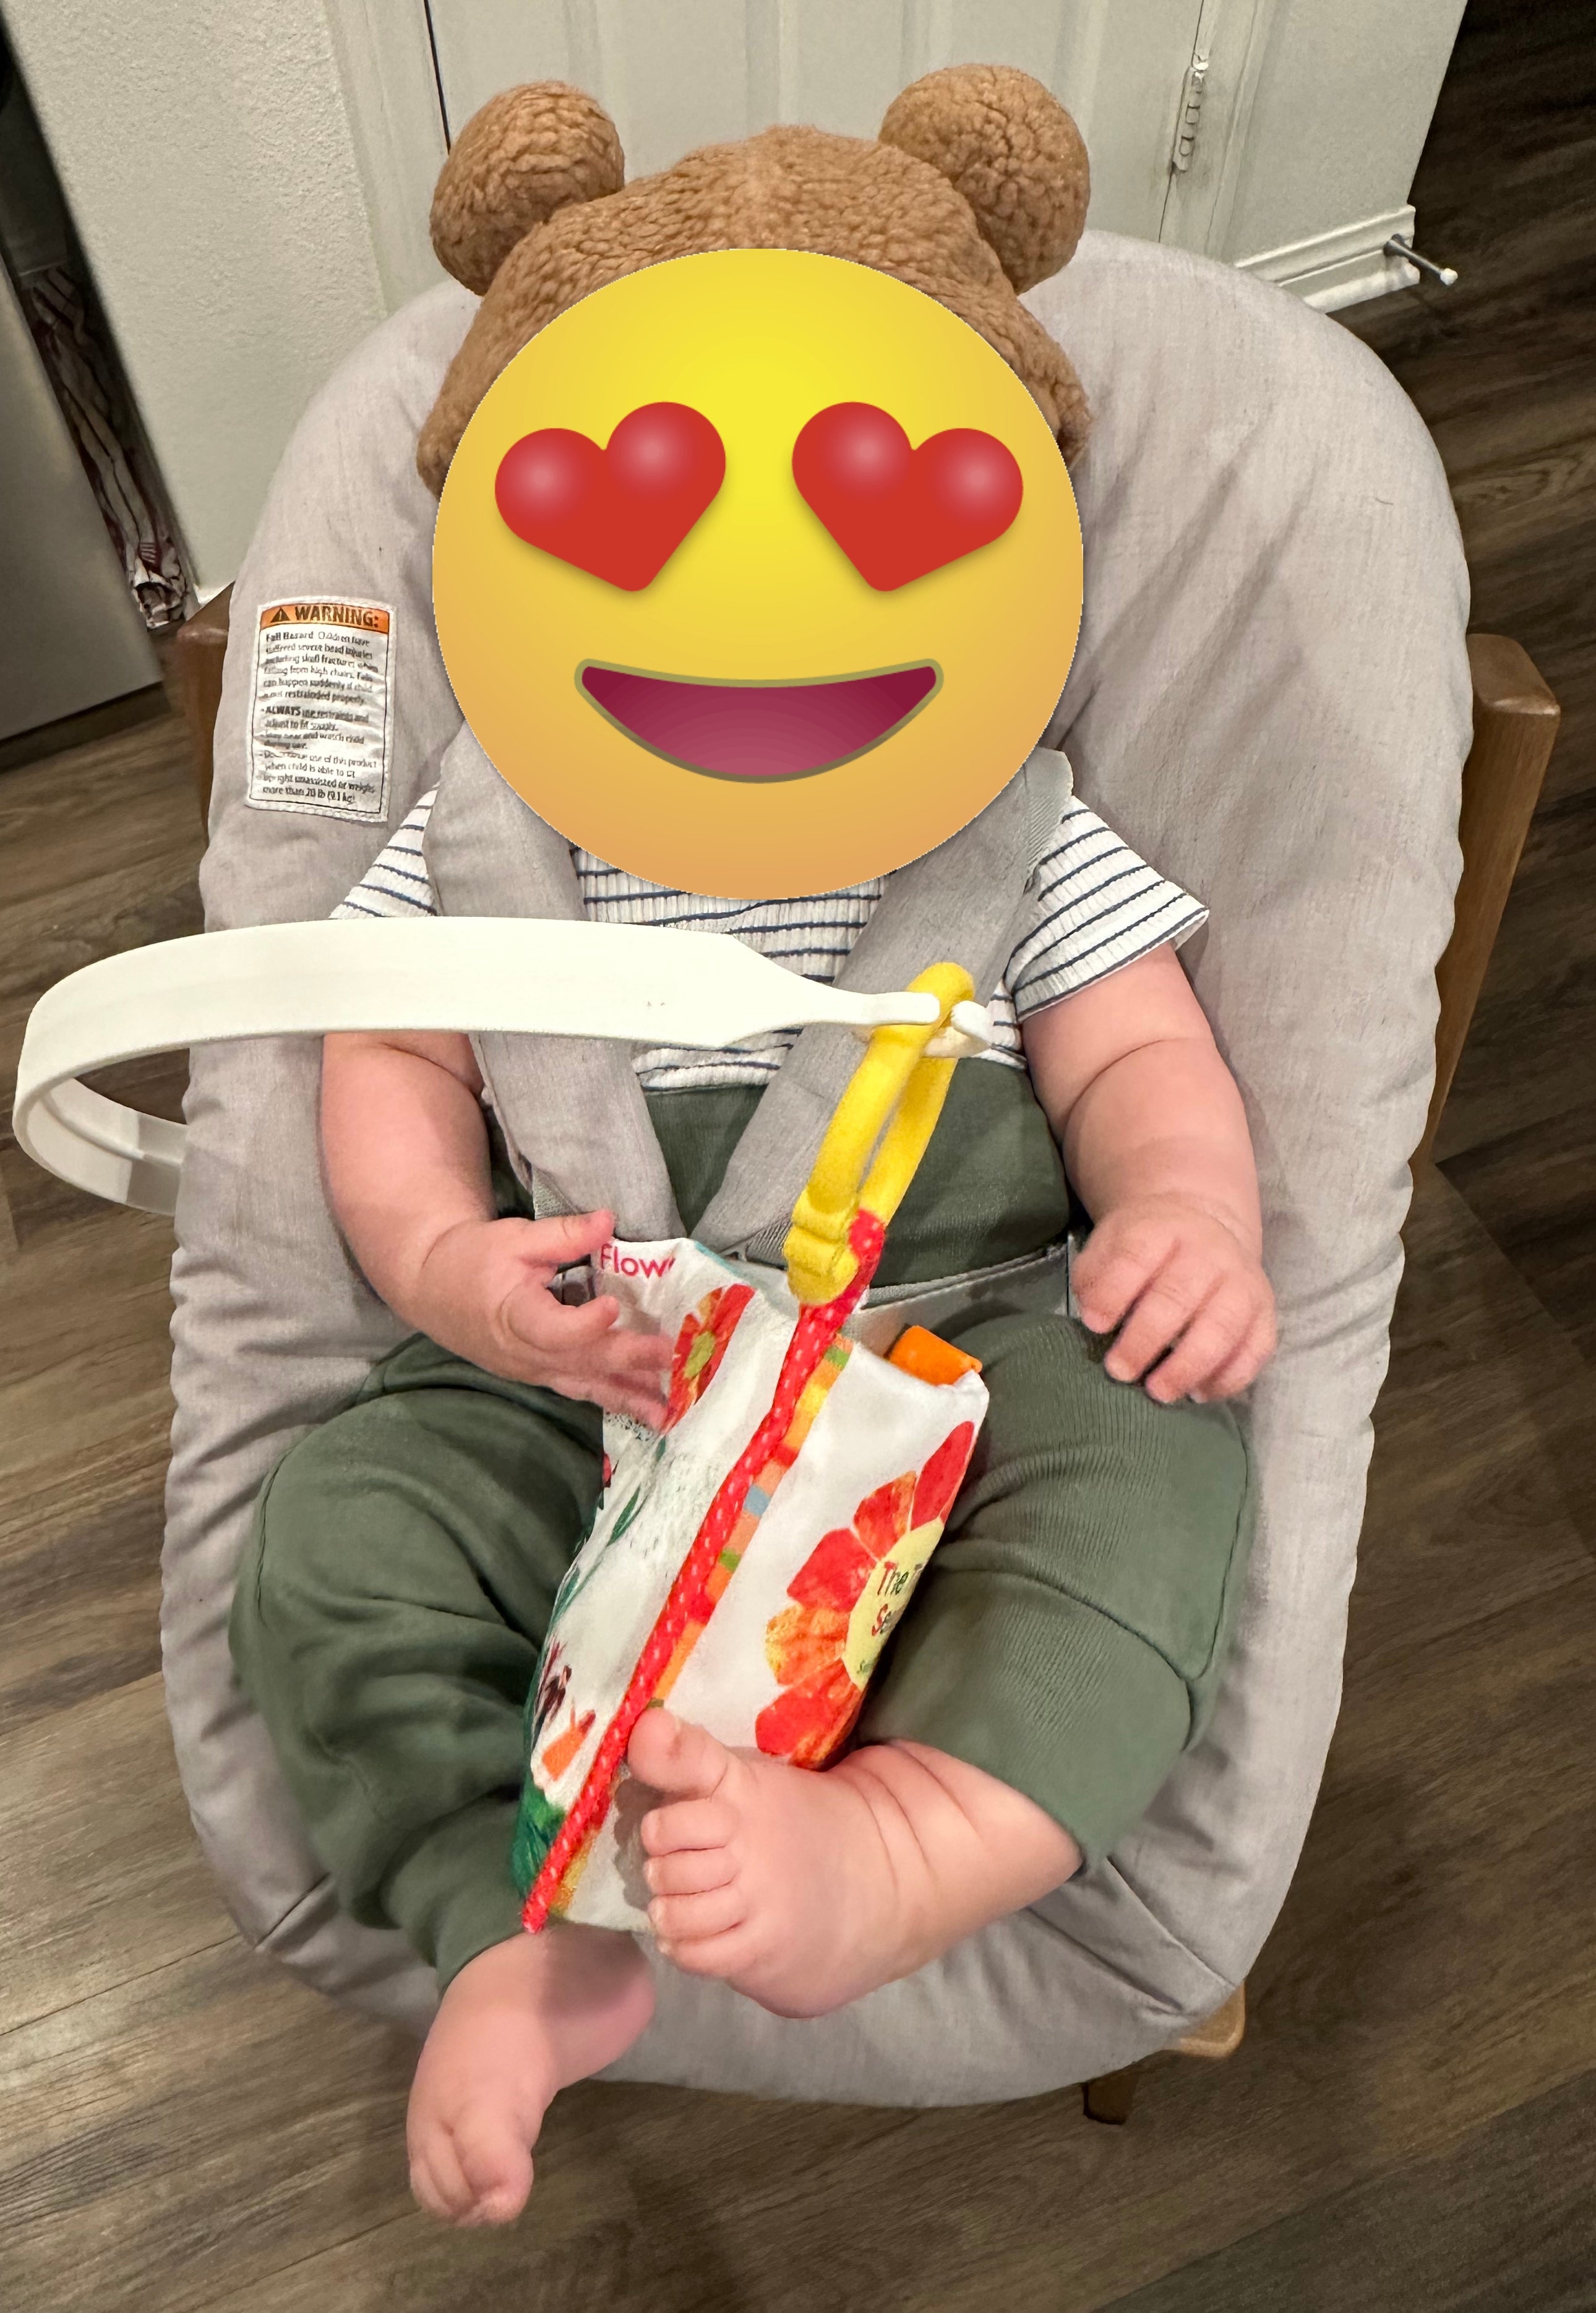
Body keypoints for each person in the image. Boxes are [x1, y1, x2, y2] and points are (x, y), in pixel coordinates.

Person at [231, 781, 1271, 2226]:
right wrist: (449, 1266)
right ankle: (507, 1920)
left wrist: (1183, 1206)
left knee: (1146, 1449)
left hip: (939, 1357)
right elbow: (396, 1053)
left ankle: (906, 1841)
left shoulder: (1000, 808)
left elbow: (1135, 1051)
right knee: (342, 1529)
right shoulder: (485, 817)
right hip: (603, 1375)